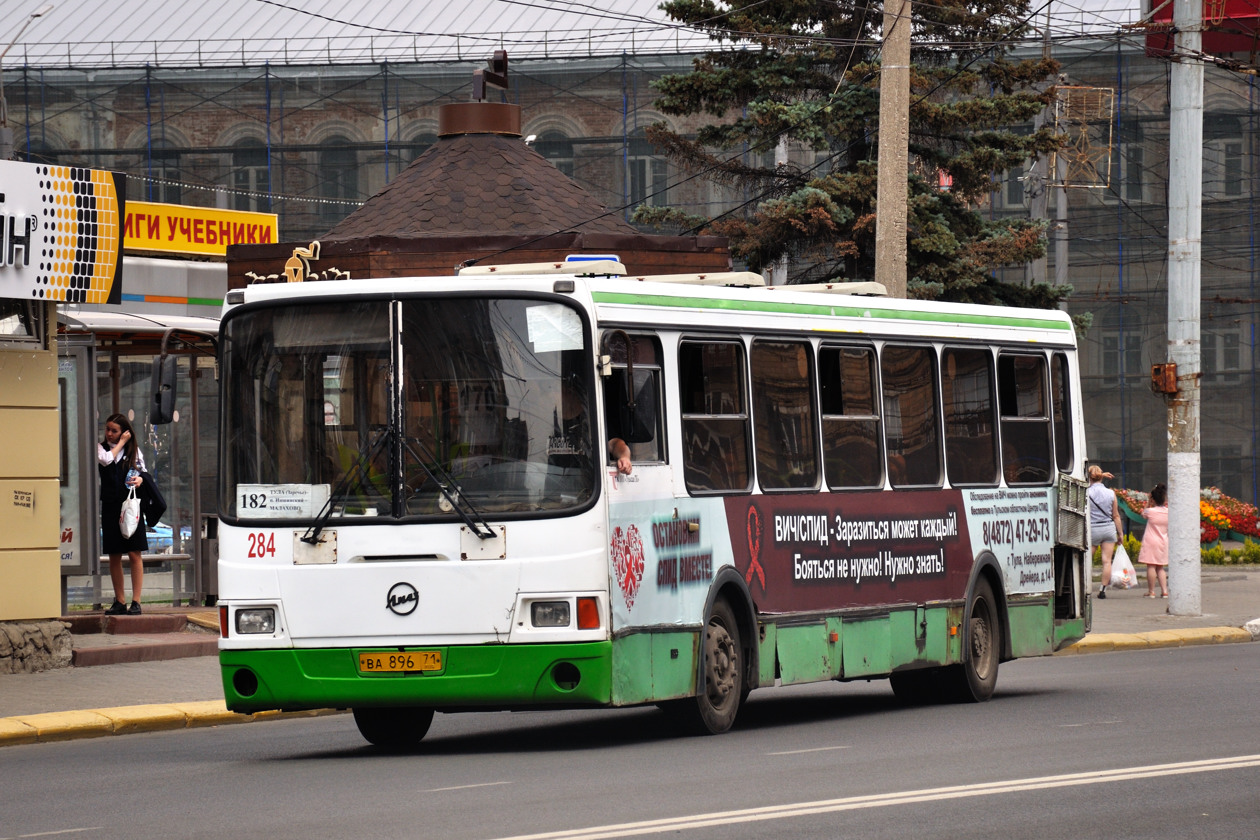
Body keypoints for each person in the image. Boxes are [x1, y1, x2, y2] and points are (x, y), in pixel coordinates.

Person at [98, 413, 147, 615]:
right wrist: (122, 441)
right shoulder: (101, 448)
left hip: (130, 506)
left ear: (123, 431)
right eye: (108, 429)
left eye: (114, 430)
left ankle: (136, 601)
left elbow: (143, 472)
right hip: (110, 505)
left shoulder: (134, 451)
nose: (109, 434)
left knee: (135, 552)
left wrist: (140, 480)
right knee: (114, 554)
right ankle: (120, 600)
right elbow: (107, 460)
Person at [1087, 464, 1124, 599]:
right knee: (1106, 561)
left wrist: (1099, 475)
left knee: (1086, 560)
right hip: (1108, 528)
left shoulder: (1086, 492)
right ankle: (1102, 590)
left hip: (1092, 529)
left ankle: (1085, 588)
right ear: (1101, 477)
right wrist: (1120, 533)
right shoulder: (1110, 493)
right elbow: (1115, 515)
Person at [1138, 483, 1170, 599]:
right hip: (1164, 540)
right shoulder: (1168, 512)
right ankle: (1165, 591)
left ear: (1153, 499)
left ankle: (1151, 591)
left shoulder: (1150, 512)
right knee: (1160, 567)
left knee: (1151, 566)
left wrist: (1148, 501)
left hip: (1150, 540)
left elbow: (1143, 514)